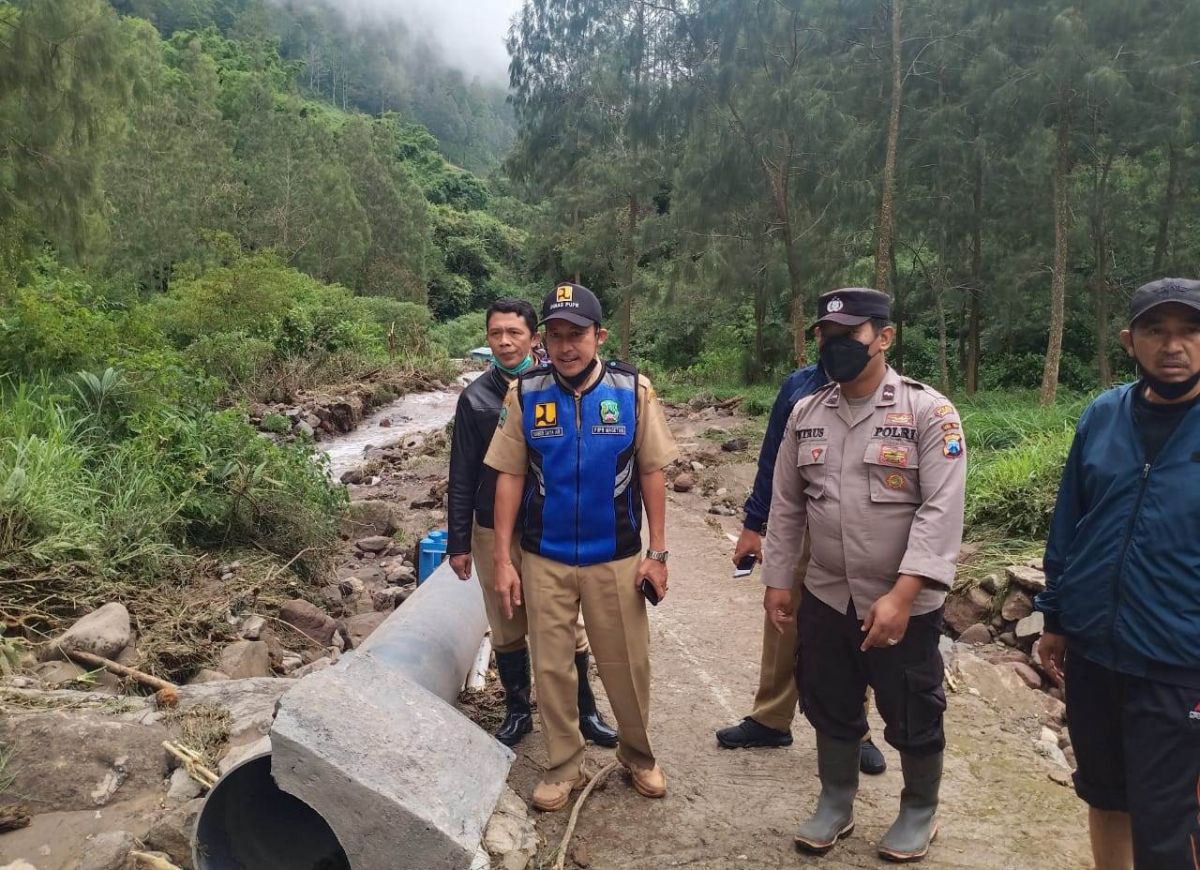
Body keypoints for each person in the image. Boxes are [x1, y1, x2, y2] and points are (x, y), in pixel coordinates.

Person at [762, 288, 965, 862]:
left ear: (884, 336)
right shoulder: (807, 413)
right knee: (830, 697)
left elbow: (941, 511)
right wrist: (779, 579)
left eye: (848, 335)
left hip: (903, 602)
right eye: (827, 336)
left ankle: (920, 810)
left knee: (912, 706)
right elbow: (787, 504)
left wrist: (903, 595)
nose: (834, 346)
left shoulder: (929, 412)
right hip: (826, 592)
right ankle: (836, 800)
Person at [485, 282, 678, 812]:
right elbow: (508, 477)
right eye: (556, 335)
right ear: (543, 339)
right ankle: (563, 764)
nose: (566, 346)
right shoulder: (525, 393)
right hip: (543, 557)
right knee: (551, 666)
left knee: (626, 664)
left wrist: (656, 554)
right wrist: (504, 560)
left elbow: (652, 472)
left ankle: (638, 756)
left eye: (577, 334)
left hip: (615, 555)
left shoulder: (632, 391)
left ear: (599, 335)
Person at [1036, 278, 1200, 870]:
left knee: (1171, 821)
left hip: (1179, 663)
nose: (1174, 345)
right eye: (1157, 330)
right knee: (1105, 796)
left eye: (1190, 330)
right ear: (1132, 341)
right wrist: (1054, 616)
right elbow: (1068, 525)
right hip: (1096, 651)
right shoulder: (1104, 415)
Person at [447, 298, 618, 749]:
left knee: (566, 622)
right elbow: (461, 472)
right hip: (490, 528)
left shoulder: (554, 386)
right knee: (505, 621)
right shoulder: (475, 398)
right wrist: (459, 542)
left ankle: (586, 710)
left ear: (533, 338)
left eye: (514, 333)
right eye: (495, 334)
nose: (504, 342)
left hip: (548, 524)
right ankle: (519, 709)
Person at [717, 364, 887, 776]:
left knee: (850, 623)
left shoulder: (886, 393)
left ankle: (856, 729)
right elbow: (772, 459)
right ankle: (771, 719)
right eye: (827, 331)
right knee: (782, 618)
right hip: (799, 522)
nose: (836, 341)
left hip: (856, 530)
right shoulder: (799, 388)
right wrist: (752, 526)